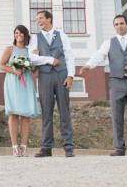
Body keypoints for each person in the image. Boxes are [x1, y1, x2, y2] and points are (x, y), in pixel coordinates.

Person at [79, 15, 127, 156]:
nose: (119, 26)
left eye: (122, 23)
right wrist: (88, 65)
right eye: (116, 24)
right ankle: (119, 148)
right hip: (116, 82)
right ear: (114, 26)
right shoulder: (109, 43)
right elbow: (99, 55)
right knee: (116, 116)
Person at [28, 10, 76, 158]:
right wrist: (48, 59)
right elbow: (31, 58)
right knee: (46, 113)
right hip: (45, 77)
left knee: (64, 112)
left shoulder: (62, 36)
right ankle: (46, 147)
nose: (38, 21)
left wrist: (71, 76)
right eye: (37, 19)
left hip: (62, 75)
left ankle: (68, 146)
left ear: (49, 19)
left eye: (41, 18)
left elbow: (69, 56)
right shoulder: (35, 38)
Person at [0, 25, 40, 157]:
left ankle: (24, 146)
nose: (18, 35)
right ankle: (15, 147)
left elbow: (34, 70)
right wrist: (14, 70)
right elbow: (1, 65)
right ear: (14, 35)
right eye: (16, 33)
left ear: (25, 35)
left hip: (26, 83)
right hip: (12, 82)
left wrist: (36, 58)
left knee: (26, 115)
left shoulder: (29, 51)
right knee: (13, 114)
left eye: (21, 33)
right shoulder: (9, 49)